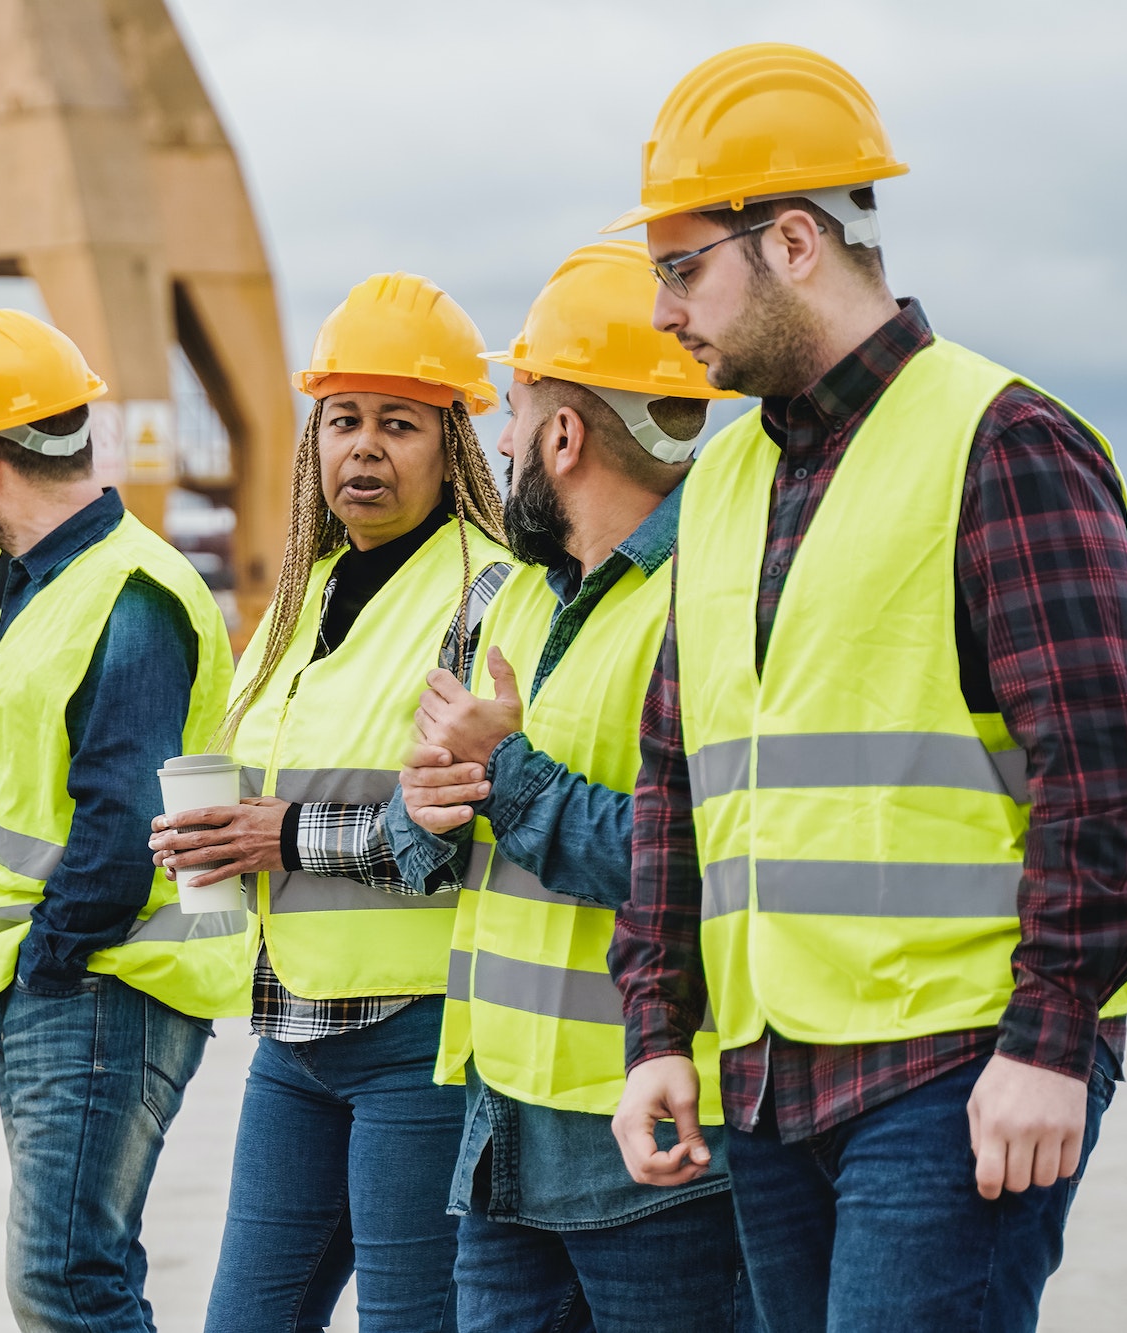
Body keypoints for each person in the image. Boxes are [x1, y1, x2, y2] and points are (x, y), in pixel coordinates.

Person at [602, 43, 1127, 1332]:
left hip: (955, 1067)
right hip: (769, 1077)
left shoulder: (1002, 440)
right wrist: (655, 1028)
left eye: (682, 269)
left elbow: (1101, 764)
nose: (665, 313)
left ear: (791, 241)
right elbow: (674, 777)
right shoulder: (721, 485)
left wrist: (1049, 1041)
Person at [389, 242, 749, 1330]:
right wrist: (428, 810)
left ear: (561, 432)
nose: (496, 440)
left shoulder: (708, 602)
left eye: (512, 411)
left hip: (645, 1138)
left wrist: (503, 773)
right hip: (505, 1134)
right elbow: (445, 838)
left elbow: (688, 855)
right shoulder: (519, 600)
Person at [148, 272, 513, 1332]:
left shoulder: (481, 597)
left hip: (418, 1034)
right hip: (293, 1031)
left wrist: (281, 836)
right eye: (342, 419)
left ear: (451, 446)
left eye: (398, 424)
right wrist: (197, 834)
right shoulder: (299, 598)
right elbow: (250, 773)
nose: (363, 447)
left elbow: (466, 819)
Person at [0, 308, 245, 1332]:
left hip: (101, 982)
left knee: (63, 1282)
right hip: (76, 983)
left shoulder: (124, 594)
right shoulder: (54, 582)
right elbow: (64, 755)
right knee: (72, 1275)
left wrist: (45, 965)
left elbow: (118, 821)